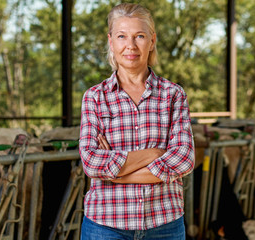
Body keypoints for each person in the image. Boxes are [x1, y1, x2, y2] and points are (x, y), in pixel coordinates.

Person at [78, 3, 194, 239]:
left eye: (139, 36)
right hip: (106, 225)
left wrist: (114, 174)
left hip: (165, 224)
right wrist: (155, 153)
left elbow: (184, 159)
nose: (130, 46)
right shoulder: (95, 97)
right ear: (111, 41)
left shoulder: (173, 94)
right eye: (122, 36)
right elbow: (91, 162)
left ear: (152, 41)